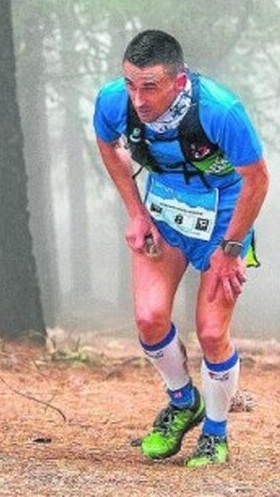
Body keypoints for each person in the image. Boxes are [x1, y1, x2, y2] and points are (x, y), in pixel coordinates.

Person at [92, 29, 270, 467]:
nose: (139, 98)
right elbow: (107, 144)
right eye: (131, 84)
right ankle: (181, 401)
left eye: (150, 86)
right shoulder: (114, 101)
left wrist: (230, 249)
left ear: (178, 79)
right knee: (149, 318)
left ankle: (215, 431)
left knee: (211, 331)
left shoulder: (220, 110)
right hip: (164, 207)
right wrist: (135, 212)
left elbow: (257, 180)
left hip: (224, 213)